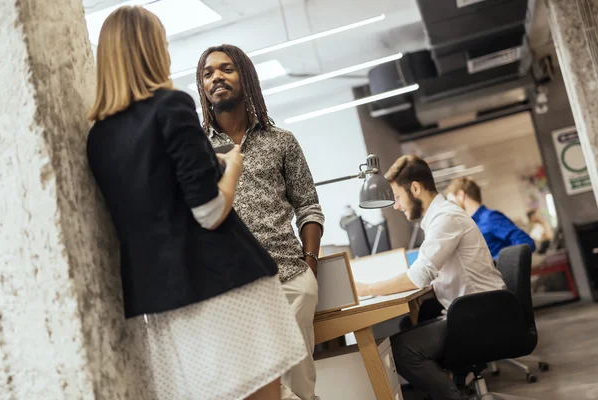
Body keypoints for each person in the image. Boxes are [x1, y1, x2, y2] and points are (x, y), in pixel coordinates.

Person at [86, 7, 307, 400]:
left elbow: (153, 199)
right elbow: (208, 212)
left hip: (163, 301)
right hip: (223, 283)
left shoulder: (98, 137)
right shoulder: (171, 105)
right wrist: (233, 165)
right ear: (150, 50)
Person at [196, 44, 325, 400]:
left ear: (246, 78)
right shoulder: (196, 150)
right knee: (262, 389)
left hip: (289, 276)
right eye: (208, 73)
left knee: (300, 384)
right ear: (202, 87)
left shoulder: (281, 141)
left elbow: (309, 206)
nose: (217, 77)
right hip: (233, 286)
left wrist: (310, 265)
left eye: (226, 69)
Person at [356, 155, 505, 400]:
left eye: (397, 197)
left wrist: (366, 289)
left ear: (415, 188)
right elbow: (423, 274)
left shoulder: (446, 218)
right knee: (408, 328)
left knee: (403, 350)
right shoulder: (439, 218)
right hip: (475, 309)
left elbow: (418, 277)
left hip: (481, 315)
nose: (396, 205)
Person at [445, 177, 536, 259]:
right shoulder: (471, 224)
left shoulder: (490, 218)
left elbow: (525, 242)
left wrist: (495, 263)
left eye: (451, 201)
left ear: (461, 195)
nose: (450, 207)